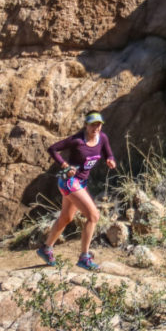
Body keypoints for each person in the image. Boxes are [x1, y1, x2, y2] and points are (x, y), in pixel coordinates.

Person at [36, 111, 116, 270]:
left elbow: (108, 152)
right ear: (86, 125)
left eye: (98, 124)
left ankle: (46, 248)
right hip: (69, 182)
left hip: (80, 182)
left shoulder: (102, 138)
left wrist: (110, 159)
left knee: (66, 218)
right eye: (92, 124)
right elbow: (53, 149)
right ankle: (84, 258)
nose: (96, 128)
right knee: (93, 216)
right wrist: (65, 165)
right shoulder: (77, 140)